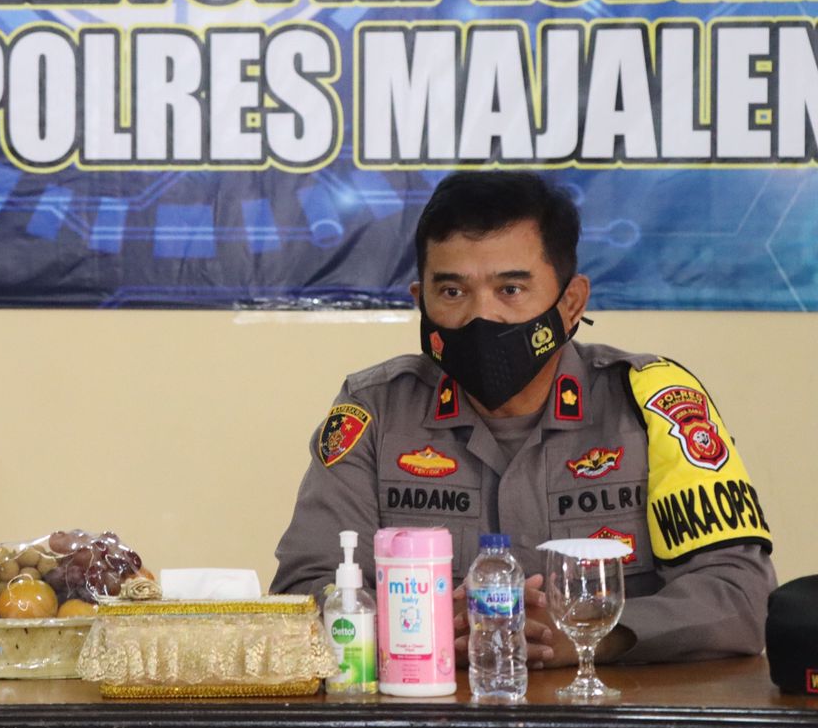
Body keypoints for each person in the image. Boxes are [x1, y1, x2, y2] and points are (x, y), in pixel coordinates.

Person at [270, 171, 774, 665]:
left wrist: (591, 632)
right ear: (420, 301)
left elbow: (739, 597)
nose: (480, 316)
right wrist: (427, 624)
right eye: (452, 292)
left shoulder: (652, 405)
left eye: (510, 289)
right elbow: (304, 592)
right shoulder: (376, 411)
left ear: (571, 302)